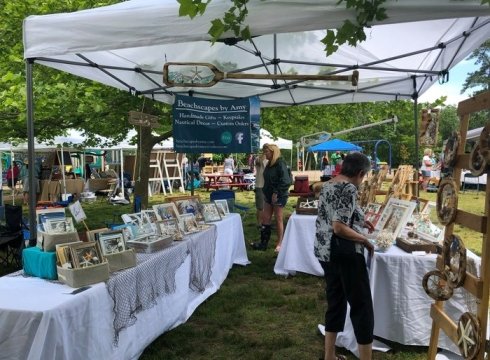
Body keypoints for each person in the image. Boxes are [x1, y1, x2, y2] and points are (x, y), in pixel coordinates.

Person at [315, 152, 375, 360]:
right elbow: (339, 227)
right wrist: (364, 239)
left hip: (325, 252)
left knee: (336, 302)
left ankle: (329, 355)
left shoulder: (329, 184)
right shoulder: (349, 188)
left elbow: (335, 211)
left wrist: (360, 219)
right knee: (361, 307)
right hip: (344, 252)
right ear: (360, 173)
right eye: (364, 176)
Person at [251, 143, 291, 252]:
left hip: (279, 195)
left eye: (266, 152)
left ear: (273, 152)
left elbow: (286, 181)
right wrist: (266, 192)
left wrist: (276, 192)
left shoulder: (280, 163)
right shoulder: (269, 164)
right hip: (268, 194)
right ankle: (263, 243)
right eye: (264, 152)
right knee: (265, 218)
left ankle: (280, 243)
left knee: (278, 218)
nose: (265, 154)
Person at [253, 153, 268, 226]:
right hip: (260, 186)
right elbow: (258, 161)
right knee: (260, 207)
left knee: (264, 206)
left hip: (265, 186)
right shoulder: (259, 160)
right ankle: (259, 224)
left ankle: (263, 222)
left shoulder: (264, 160)